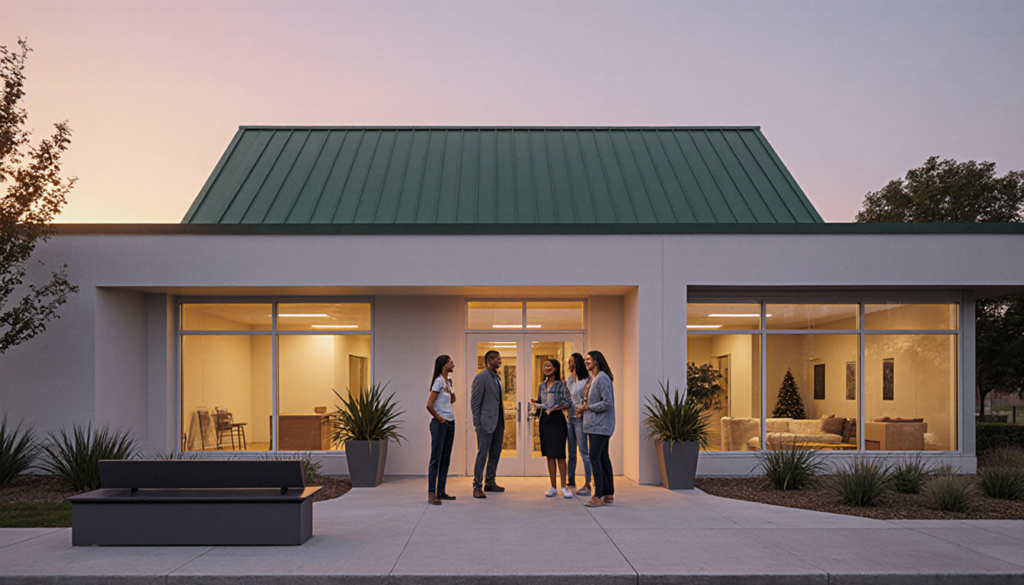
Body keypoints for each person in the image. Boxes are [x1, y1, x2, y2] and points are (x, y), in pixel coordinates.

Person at [577, 350, 615, 507]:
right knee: (603, 458)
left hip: (600, 426)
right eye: (585, 359)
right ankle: (608, 494)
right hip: (595, 426)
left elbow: (607, 403)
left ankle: (598, 496)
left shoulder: (602, 379)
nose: (586, 362)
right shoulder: (594, 379)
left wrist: (588, 408)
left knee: (595, 458)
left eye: (588, 359)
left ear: (597, 361)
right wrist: (583, 410)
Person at [530, 358, 573, 498]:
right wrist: (536, 404)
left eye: (548, 365)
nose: (546, 368)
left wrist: (554, 408)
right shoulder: (541, 386)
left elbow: (568, 403)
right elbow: (541, 402)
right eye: (545, 366)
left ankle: (564, 487)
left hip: (557, 420)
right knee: (549, 454)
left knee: (560, 454)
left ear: (555, 368)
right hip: (545, 421)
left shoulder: (561, 385)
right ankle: (553, 486)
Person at [470, 350, 506, 499]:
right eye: (498, 359)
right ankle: (477, 486)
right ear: (490, 360)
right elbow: (475, 403)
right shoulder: (481, 377)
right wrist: (477, 424)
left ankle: (490, 482)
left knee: (495, 453)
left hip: (498, 422)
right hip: (485, 423)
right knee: (482, 454)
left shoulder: (496, 378)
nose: (500, 361)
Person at [426, 355, 456, 505]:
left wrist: (450, 389)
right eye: (451, 362)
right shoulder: (438, 381)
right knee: (436, 459)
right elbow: (429, 404)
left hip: (450, 422)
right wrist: (439, 418)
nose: (453, 364)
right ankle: (432, 493)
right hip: (440, 423)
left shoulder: (448, 382)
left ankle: (441, 491)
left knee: (445, 458)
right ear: (444, 366)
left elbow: (453, 400)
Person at [565, 353, 592, 496]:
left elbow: (587, 398)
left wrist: (582, 408)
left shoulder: (587, 379)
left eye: (570, 361)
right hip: (569, 417)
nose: (568, 363)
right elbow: (568, 397)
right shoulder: (570, 379)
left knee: (584, 452)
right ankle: (570, 480)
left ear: (576, 362)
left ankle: (588, 483)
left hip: (580, 418)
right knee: (571, 453)